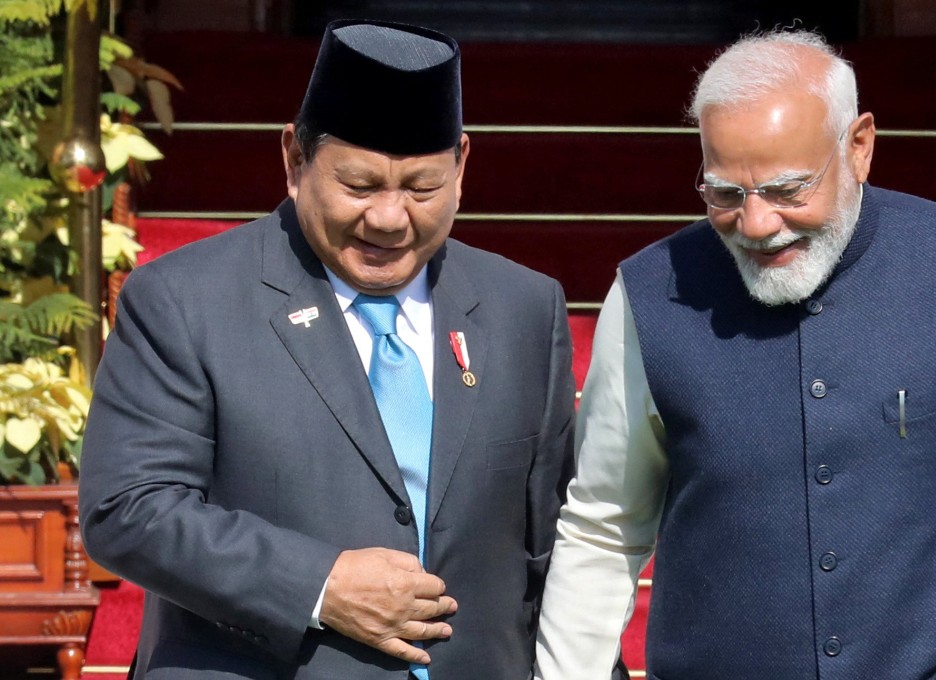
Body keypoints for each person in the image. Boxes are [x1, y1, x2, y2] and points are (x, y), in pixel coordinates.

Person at [79, 19, 576, 679]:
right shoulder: (184, 299)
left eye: (423, 189)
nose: (390, 219)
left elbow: (557, 545)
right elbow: (128, 510)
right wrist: (321, 584)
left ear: (462, 164)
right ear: (293, 159)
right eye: (360, 187)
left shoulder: (523, 308)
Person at [534, 28, 936, 680]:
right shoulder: (650, 296)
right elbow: (603, 529)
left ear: (859, 147)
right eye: (725, 194)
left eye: (789, 190)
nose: (758, 223)